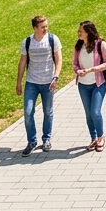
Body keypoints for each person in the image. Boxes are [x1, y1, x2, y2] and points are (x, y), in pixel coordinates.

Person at [16, 15, 61, 156]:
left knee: (48, 111)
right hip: (32, 83)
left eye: (46, 26)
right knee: (28, 112)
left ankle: (46, 139)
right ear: (35, 28)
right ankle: (32, 141)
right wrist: (18, 82)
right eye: (42, 27)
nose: (45, 29)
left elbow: (59, 60)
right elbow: (22, 62)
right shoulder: (27, 42)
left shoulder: (53, 39)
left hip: (48, 82)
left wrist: (56, 77)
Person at [72, 20, 106, 152]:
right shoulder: (78, 46)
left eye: (81, 31)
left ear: (88, 32)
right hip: (83, 85)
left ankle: (101, 137)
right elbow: (74, 64)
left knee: (95, 111)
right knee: (88, 114)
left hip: (98, 84)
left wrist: (91, 69)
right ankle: (93, 138)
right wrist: (78, 71)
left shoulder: (100, 44)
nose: (78, 33)